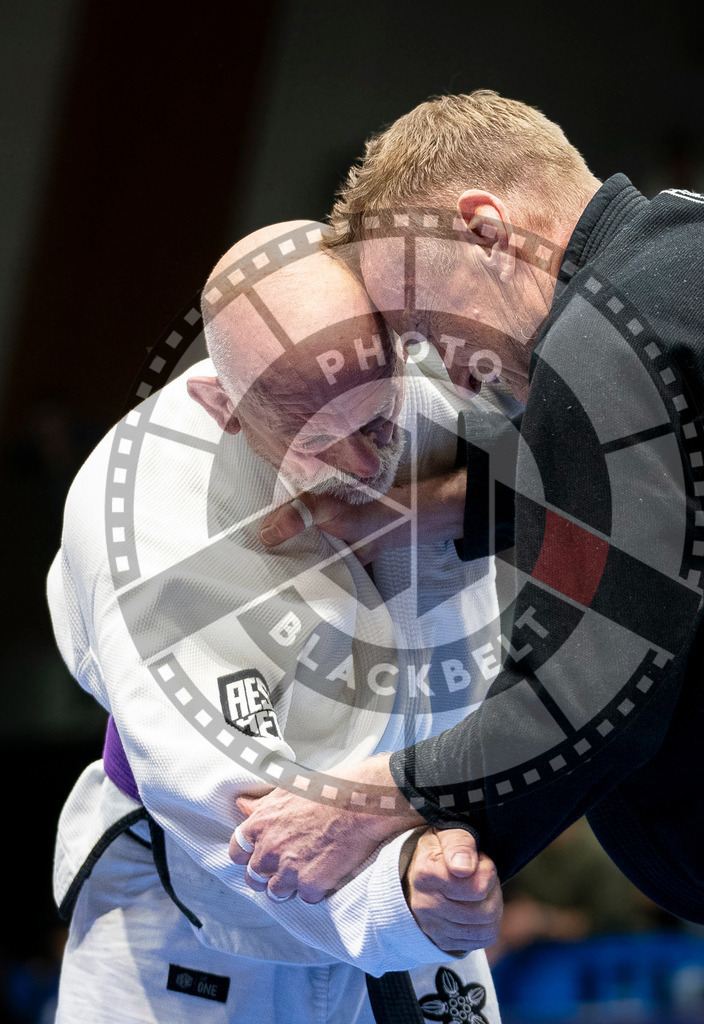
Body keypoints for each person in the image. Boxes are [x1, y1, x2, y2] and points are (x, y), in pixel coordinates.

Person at [233, 91, 704, 1023]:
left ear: (485, 230)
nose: (438, 365)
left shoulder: (609, 333)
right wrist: (434, 497)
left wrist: (381, 796)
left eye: (422, 323)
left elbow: (594, 688)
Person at [48, 221, 506, 1023]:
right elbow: (237, 804)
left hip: (424, 851)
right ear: (222, 406)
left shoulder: (439, 384)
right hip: (194, 901)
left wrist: (449, 506)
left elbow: (607, 478)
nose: (368, 465)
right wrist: (402, 895)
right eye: (324, 442)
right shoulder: (150, 518)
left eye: (377, 421)